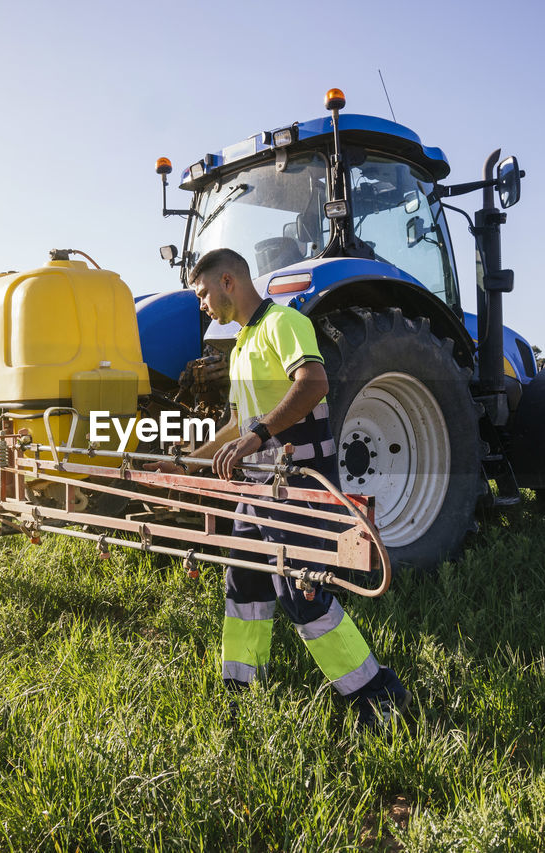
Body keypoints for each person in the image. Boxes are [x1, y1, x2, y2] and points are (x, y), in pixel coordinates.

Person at [156, 248, 406, 730]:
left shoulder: (282, 323)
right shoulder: (244, 342)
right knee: (244, 587)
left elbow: (313, 383)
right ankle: (241, 692)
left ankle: (377, 697)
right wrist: (189, 462)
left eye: (204, 293)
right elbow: (236, 423)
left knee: (303, 595)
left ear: (228, 281)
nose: (202, 304)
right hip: (257, 491)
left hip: (297, 488)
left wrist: (258, 436)